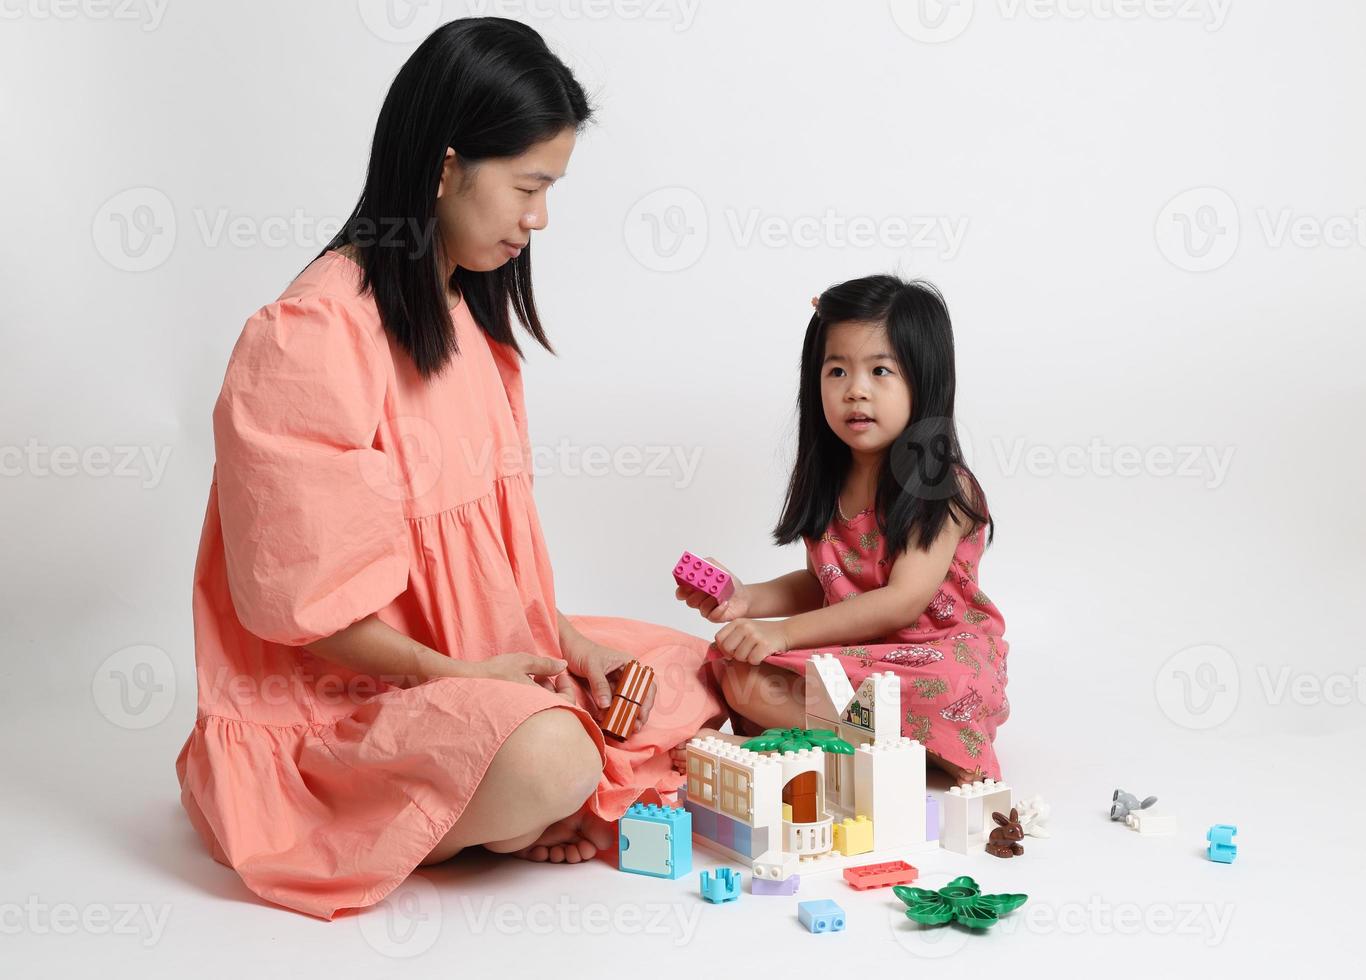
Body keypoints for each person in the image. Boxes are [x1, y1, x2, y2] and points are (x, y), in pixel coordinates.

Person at [175, 17, 725, 921]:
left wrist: (566, 646)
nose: (540, 217)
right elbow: (309, 617)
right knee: (558, 759)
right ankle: (474, 811)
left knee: (690, 670)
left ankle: (493, 804)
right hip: (355, 708)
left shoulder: (466, 317)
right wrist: (462, 679)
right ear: (443, 167)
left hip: (482, 675)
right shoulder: (311, 338)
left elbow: (491, 558)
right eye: (529, 186)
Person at [674, 275, 1008, 784]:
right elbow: (825, 585)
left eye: (880, 371)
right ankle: (874, 749)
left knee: (949, 683)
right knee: (737, 671)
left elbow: (899, 602)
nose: (856, 390)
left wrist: (783, 632)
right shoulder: (832, 483)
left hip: (930, 657)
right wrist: (747, 600)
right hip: (854, 659)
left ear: (926, 379)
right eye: (837, 371)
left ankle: (812, 748)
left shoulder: (942, 485)